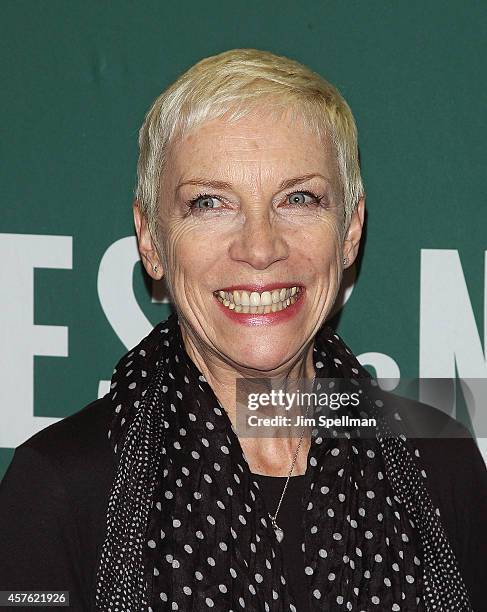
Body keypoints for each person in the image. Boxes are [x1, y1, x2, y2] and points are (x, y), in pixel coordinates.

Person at [1, 48, 486, 612]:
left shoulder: (437, 463)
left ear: (350, 231)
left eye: (299, 199)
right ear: (151, 241)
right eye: (210, 203)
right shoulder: (61, 487)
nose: (260, 248)